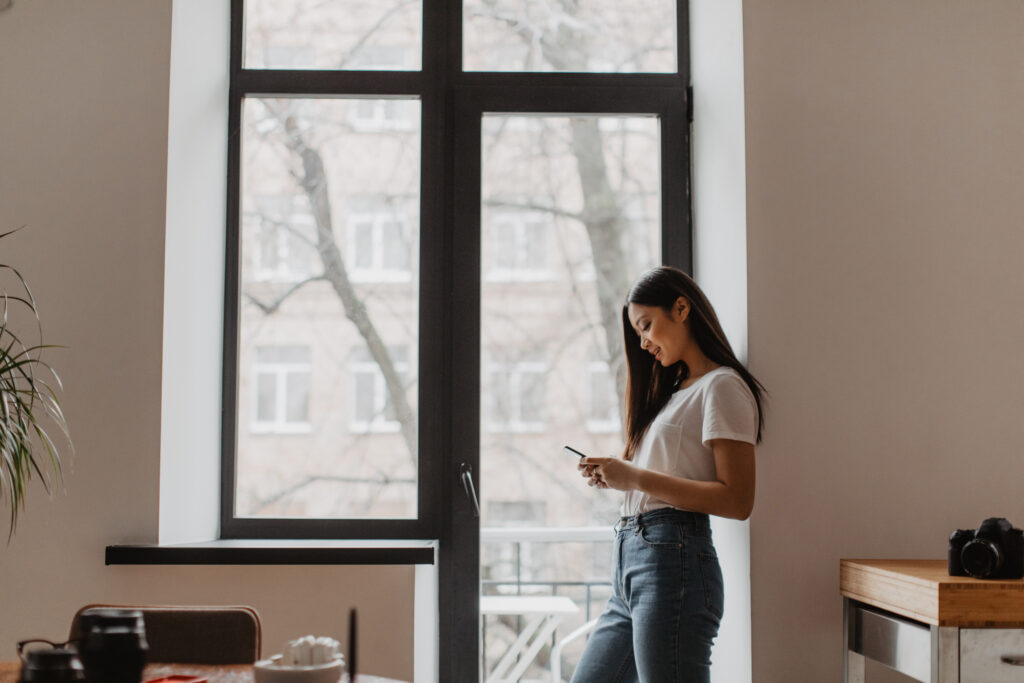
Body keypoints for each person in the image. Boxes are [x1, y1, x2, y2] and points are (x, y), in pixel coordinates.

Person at [570, 266, 765, 683]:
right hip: (631, 562)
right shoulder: (673, 393)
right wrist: (619, 476)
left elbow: (737, 500)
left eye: (646, 326)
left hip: (672, 562)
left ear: (681, 308)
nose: (643, 343)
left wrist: (635, 478)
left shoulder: (722, 387)